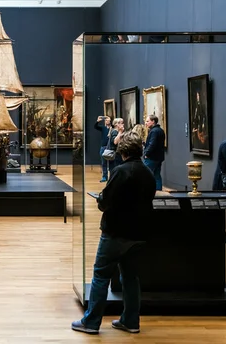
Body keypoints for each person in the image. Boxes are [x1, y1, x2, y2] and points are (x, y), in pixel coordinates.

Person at [72, 131, 156, 335]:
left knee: (101, 275)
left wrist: (100, 199)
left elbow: (106, 202)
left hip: (116, 232)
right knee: (130, 277)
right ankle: (131, 320)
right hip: (139, 233)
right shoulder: (147, 173)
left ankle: (91, 322)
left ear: (123, 150)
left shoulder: (121, 171)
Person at [143, 114, 166, 190]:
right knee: (157, 176)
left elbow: (152, 144)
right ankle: (159, 193)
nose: (146, 123)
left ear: (153, 121)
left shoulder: (154, 131)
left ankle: (146, 192)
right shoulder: (160, 130)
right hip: (158, 157)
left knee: (145, 175)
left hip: (151, 157)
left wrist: (146, 153)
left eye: (147, 121)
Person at [94, 115, 111, 182]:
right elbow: (95, 127)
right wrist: (97, 121)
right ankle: (104, 176)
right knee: (104, 163)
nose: (107, 121)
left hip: (110, 147)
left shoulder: (112, 128)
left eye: (108, 120)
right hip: (103, 147)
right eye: (105, 120)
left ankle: (111, 177)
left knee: (111, 163)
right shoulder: (103, 128)